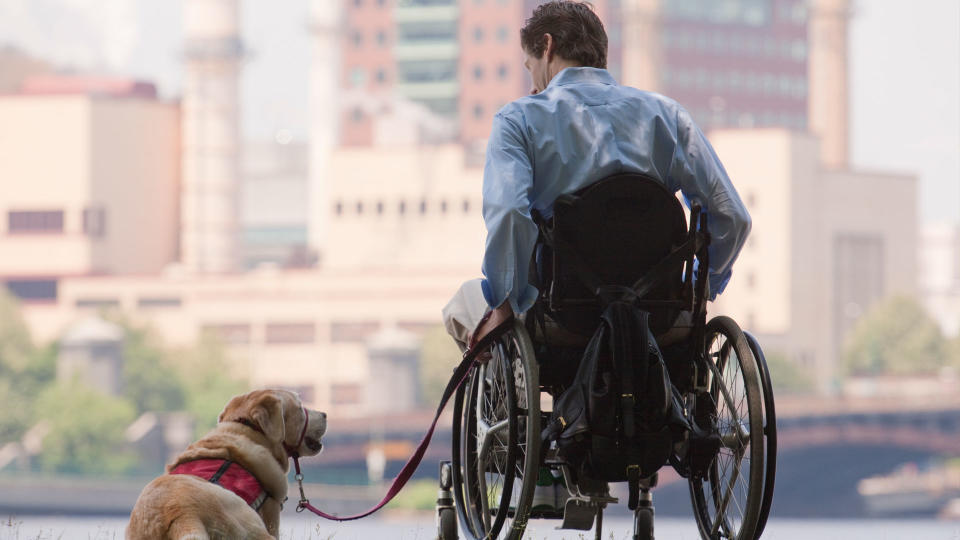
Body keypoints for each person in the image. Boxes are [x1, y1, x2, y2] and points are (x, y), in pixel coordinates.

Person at [443, 1, 751, 351]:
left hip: (563, 314)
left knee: (460, 307)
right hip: (658, 309)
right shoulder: (668, 116)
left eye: (530, 67)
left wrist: (505, 303)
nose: (533, 84)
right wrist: (699, 287)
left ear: (547, 47)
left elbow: (511, 213)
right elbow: (733, 217)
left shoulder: (519, 120)